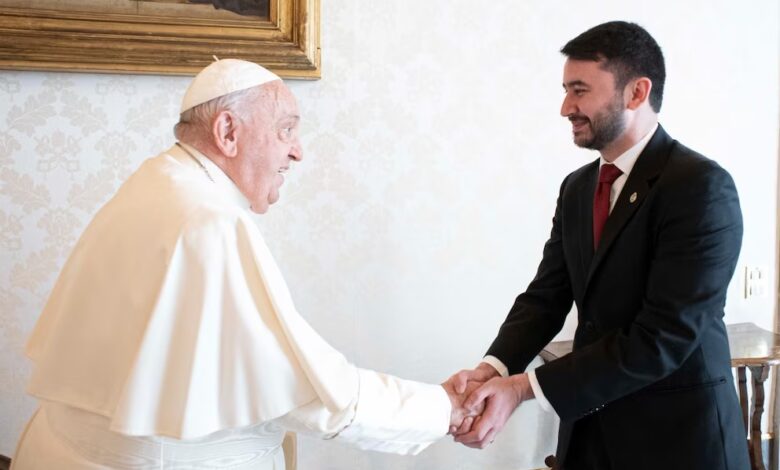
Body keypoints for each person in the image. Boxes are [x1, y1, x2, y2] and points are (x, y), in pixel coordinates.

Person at [12, 59, 478, 469]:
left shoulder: (154, 180)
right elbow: (308, 393)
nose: (297, 150)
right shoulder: (208, 223)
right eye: (286, 129)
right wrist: (441, 410)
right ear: (228, 132)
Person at [448, 21, 749, 470]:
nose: (566, 107)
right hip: (589, 438)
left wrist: (522, 389)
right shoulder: (577, 187)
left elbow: (663, 338)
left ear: (636, 92)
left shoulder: (700, 187)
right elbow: (546, 297)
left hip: (678, 442)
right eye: (566, 90)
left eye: (579, 90)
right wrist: (492, 369)